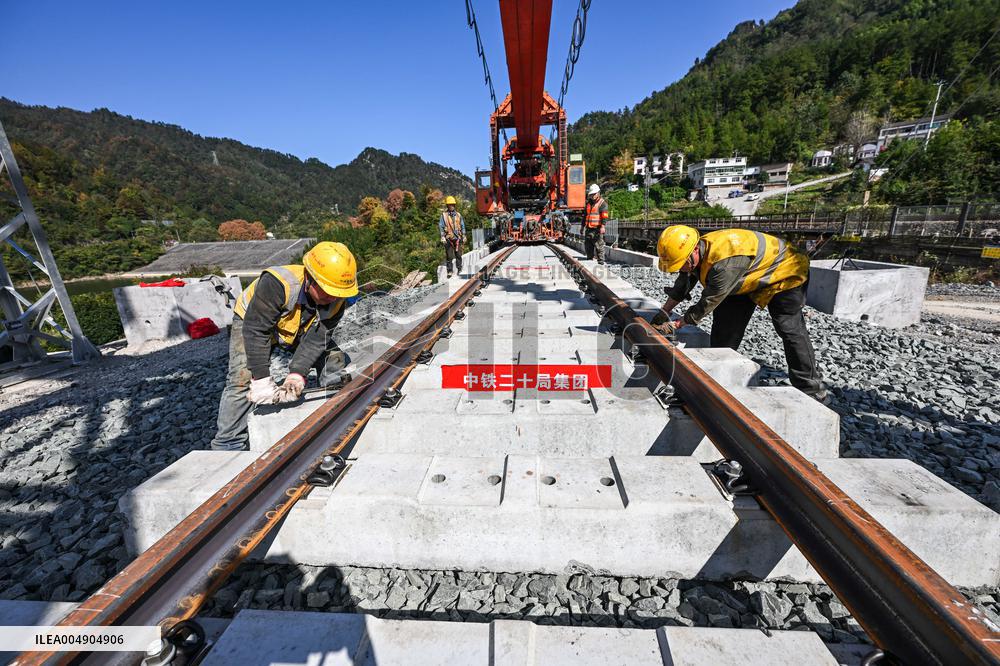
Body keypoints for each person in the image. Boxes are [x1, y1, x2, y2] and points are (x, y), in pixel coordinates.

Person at [208, 241, 359, 451]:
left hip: (296, 325)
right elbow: (256, 332)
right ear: (309, 278)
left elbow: (317, 339)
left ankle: (333, 412)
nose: (332, 297)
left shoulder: (337, 300)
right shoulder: (277, 284)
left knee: (332, 358)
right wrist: (260, 378)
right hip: (252, 321)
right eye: (327, 291)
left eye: (338, 293)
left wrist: (297, 373)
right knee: (241, 379)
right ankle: (228, 443)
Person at [652, 225, 826, 400]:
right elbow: (683, 283)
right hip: (748, 275)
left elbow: (708, 302)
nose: (681, 268)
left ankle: (811, 388)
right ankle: (720, 376)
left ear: (695, 249)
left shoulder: (724, 264)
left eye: (682, 264)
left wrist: (676, 324)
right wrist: (664, 312)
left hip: (787, 270)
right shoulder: (693, 254)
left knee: (788, 326)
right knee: (725, 327)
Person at [439, 196, 466, 278]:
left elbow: (462, 225)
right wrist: (442, 236)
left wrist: (464, 235)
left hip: (458, 238)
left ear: (454, 205)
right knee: (449, 256)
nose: (451, 206)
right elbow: (441, 226)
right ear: (447, 206)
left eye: (452, 205)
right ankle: (450, 271)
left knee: (458, 254)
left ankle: (459, 268)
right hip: (448, 238)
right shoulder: (444, 215)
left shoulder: (458, 215)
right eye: (449, 205)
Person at [584, 184, 608, 264]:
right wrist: (582, 226)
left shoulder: (602, 203)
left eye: (594, 194)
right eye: (591, 194)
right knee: (588, 245)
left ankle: (601, 261)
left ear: (598, 193)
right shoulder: (588, 204)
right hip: (588, 228)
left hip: (597, 228)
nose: (592, 196)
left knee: (599, 245)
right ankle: (589, 259)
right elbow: (585, 216)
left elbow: (604, 216)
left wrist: (603, 226)